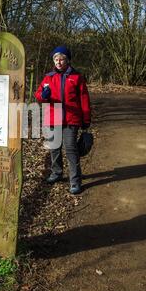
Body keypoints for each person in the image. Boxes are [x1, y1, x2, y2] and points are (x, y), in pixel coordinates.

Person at [35, 45, 91, 194]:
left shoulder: (77, 77)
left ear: (67, 60)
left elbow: (84, 99)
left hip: (71, 120)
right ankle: (57, 173)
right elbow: (38, 95)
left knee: (71, 150)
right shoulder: (48, 77)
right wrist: (43, 96)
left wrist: (86, 119)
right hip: (53, 119)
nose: (58, 62)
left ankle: (75, 181)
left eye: (62, 59)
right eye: (56, 59)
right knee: (54, 148)